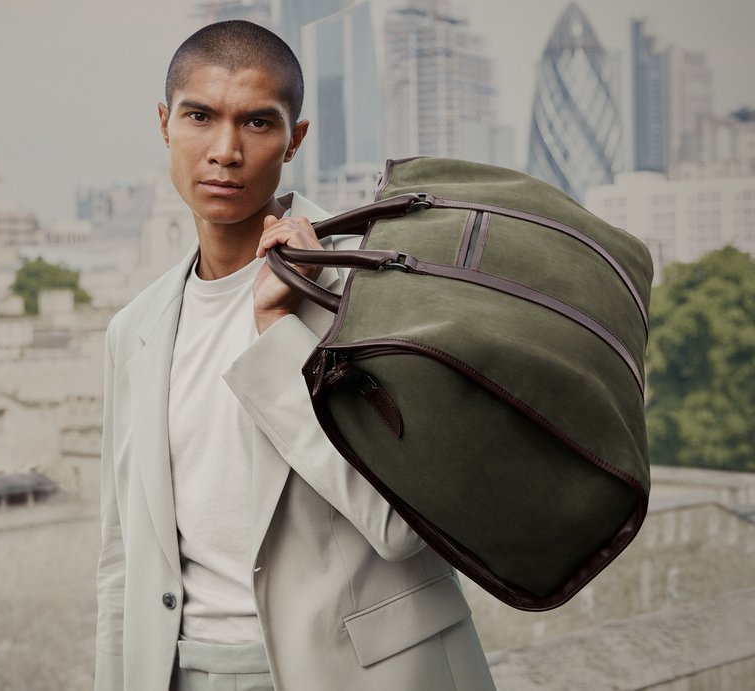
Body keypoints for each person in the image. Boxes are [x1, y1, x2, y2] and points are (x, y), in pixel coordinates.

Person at [94, 19, 496, 691]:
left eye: (256, 123)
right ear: (165, 123)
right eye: (199, 116)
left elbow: (402, 525)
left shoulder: (370, 289)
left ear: (295, 139)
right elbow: (120, 561)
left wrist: (279, 329)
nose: (224, 150)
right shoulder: (133, 329)